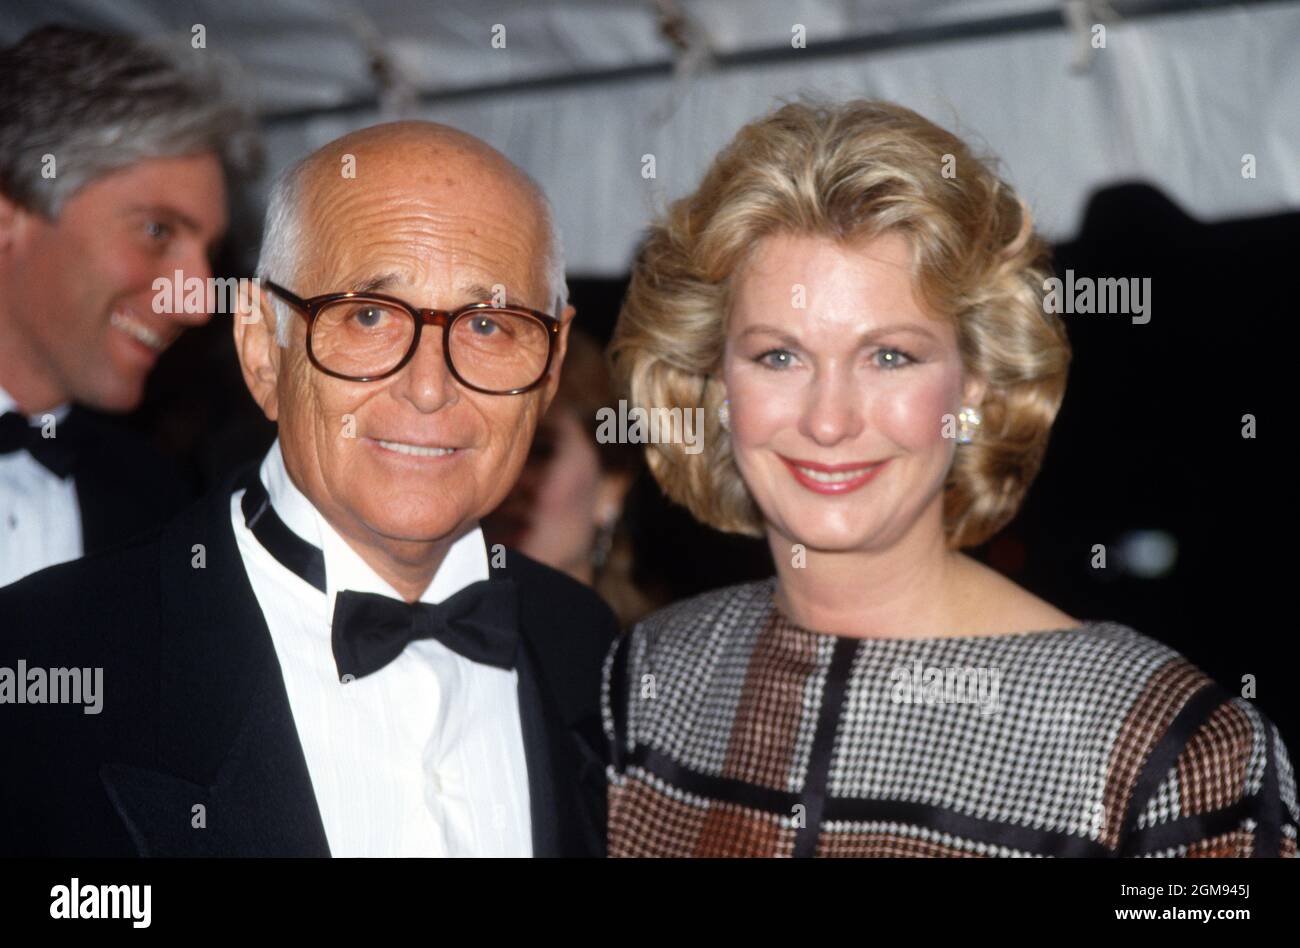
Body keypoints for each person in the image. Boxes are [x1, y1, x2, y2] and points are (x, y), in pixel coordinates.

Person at [602, 99, 1298, 857]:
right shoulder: (646, 684)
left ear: (974, 386)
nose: (829, 421)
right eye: (779, 356)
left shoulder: (1164, 751)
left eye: (890, 356)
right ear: (712, 384)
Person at [0, 120, 617, 857]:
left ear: (550, 370)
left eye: (489, 325)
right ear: (263, 349)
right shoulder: (45, 659)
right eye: (368, 316)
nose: (429, 388)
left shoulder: (589, 651)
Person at [0, 25, 257, 587]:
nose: (198, 304)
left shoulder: (163, 505)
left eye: (210, 253)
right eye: (156, 231)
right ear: (7, 216)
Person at [483, 327, 659, 627]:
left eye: (539, 451)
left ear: (612, 486)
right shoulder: (420, 638)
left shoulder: (661, 650)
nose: (508, 480)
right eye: (488, 447)